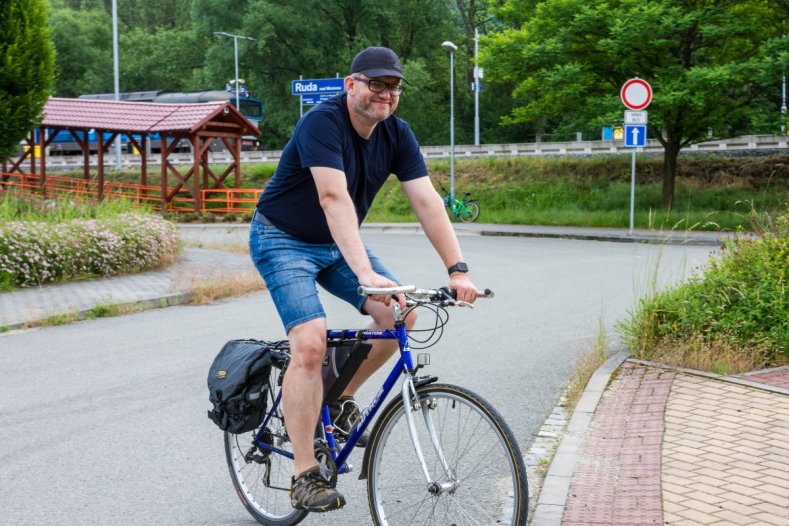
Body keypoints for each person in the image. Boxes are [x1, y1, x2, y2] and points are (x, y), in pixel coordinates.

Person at [249, 45, 479, 513]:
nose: (386, 94)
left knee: (404, 313)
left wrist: (457, 269)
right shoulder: (322, 122)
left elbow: (427, 202)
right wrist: (366, 273)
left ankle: (337, 401)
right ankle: (303, 471)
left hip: (336, 241)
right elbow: (334, 199)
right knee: (310, 343)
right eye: (377, 84)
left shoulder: (397, 134)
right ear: (351, 84)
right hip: (282, 239)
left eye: (394, 87)